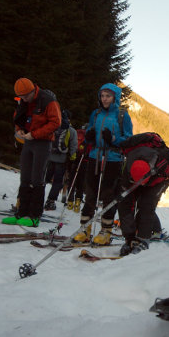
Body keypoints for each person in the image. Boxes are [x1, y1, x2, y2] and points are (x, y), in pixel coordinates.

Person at [73, 83, 132, 245]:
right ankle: (84, 229)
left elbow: (128, 139)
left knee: (108, 195)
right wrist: (89, 136)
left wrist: (114, 139)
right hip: (95, 156)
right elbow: (90, 133)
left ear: (115, 97)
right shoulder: (96, 113)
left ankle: (105, 231)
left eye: (108, 96)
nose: (104, 99)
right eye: (102, 95)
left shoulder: (122, 116)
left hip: (113, 158)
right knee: (90, 192)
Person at [2, 78, 61, 227]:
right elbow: (17, 117)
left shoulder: (48, 100)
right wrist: (19, 130)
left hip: (43, 142)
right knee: (25, 177)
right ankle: (21, 213)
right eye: (21, 97)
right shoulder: (23, 101)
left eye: (25, 96)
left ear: (32, 91)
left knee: (37, 178)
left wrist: (35, 134)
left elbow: (55, 122)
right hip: (28, 141)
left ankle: (34, 216)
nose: (23, 99)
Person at [44, 110, 77, 211]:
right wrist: (72, 159)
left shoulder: (54, 126)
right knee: (58, 181)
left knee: (44, 179)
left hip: (49, 157)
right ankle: (50, 201)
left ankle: (36, 197)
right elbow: (73, 147)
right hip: (62, 159)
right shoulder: (71, 131)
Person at [66, 126, 88, 212]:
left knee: (72, 179)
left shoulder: (77, 132)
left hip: (75, 158)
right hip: (85, 160)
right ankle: (78, 201)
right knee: (81, 182)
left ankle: (70, 200)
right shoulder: (89, 136)